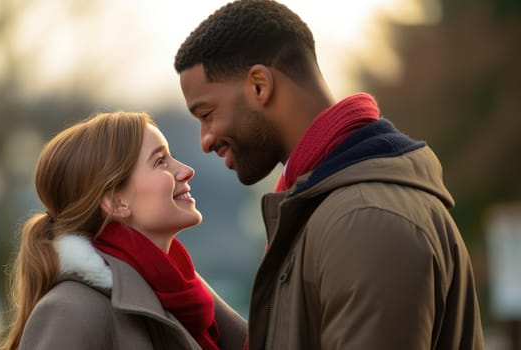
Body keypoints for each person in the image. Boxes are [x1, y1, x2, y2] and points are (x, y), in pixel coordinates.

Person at [174, 1, 485, 349]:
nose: (206, 140)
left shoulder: (367, 220)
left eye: (207, 113)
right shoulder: (324, 209)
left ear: (260, 85)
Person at [0, 112, 247, 350]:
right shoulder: (70, 312)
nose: (185, 170)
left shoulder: (185, 297)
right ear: (116, 202)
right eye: (160, 161)